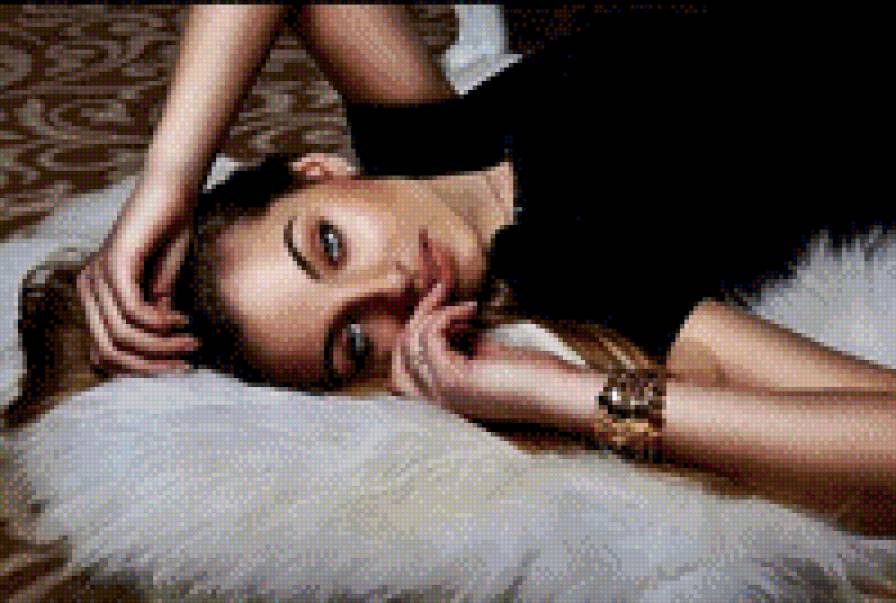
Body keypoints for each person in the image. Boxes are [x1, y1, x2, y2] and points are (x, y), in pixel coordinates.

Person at [56, 5, 894, 534]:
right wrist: (562, 395)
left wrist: (169, 178)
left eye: (329, 245)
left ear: (320, 171)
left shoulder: (417, 147)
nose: (387, 287)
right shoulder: (576, 280)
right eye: (354, 341)